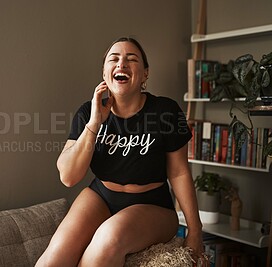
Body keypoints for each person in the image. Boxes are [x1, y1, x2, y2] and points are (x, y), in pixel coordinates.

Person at [35, 37, 205, 267]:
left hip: (153, 204)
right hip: (101, 195)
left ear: (145, 74)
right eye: (113, 59)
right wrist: (95, 123)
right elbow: (68, 177)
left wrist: (195, 230)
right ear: (105, 73)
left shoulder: (166, 111)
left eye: (131, 59)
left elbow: (179, 172)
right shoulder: (87, 112)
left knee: (106, 241)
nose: (121, 63)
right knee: (53, 259)